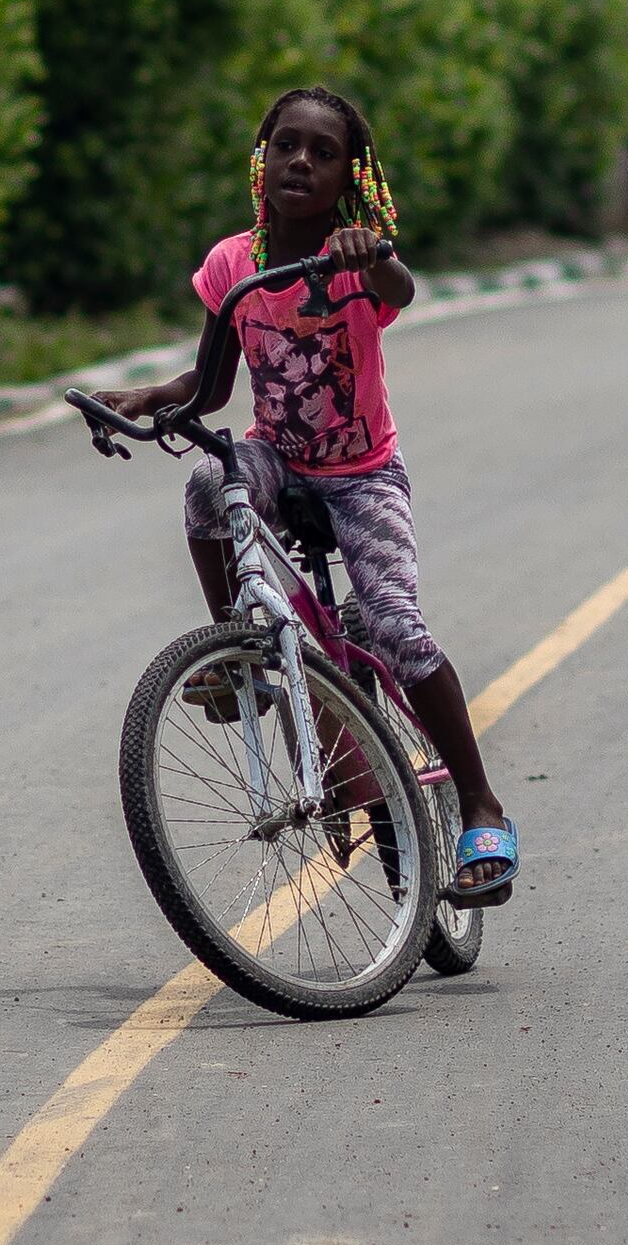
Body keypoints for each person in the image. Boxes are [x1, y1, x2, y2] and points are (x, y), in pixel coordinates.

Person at [103, 84, 517, 906]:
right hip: (281, 461)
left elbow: (400, 292)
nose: (301, 160)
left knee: (397, 627)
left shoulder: (356, 258)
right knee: (206, 479)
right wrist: (152, 398)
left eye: (323, 152)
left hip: (363, 473)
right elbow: (213, 382)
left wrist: (375, 256)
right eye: (287, 145)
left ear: (347, 176)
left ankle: (479, 801)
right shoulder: (234, 263)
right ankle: (241, 650)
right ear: (262, 160)